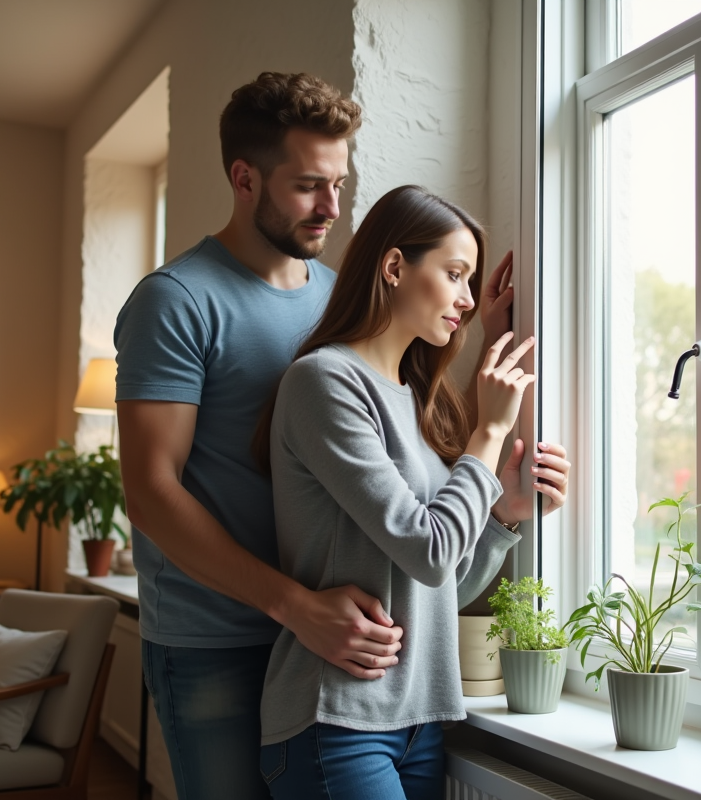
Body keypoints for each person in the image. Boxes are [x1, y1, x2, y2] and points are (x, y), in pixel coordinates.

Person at [114, 73, 570, 799]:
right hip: (219, 634)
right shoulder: (177, 302)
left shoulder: (338, 300)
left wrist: (471, 321)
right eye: (306, 187)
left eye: (339, 183)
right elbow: (151, 492)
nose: (332, 207)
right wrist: (294, 606)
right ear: (244, 179)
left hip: (341, 638)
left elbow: (400, 429)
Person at [257, 185, 561, 799]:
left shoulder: (423, 403)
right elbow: (429, 550)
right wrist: (491, 430)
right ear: (395, 267)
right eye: (454, 274)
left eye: (472, 281)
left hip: (420, 723)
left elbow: (437, 588)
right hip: (337, 719)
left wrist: (505, 518)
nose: (468, 300)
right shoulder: (325, 382)